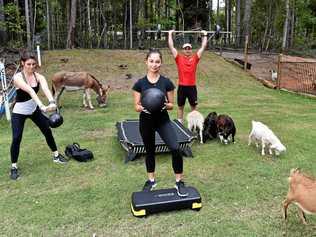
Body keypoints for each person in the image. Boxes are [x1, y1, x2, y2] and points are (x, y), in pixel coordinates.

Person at [132, 49, 188, 197]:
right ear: (146, 62)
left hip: (162, 120)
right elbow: (136, 106)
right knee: (149, 151)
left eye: (157, 61)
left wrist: (162, 104)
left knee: (175, 148)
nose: (154, 64)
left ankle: (179, 182)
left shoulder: (166, 82)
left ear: (161, 63)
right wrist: (144, 107)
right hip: (146, 121)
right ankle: (151, 180)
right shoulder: (140, 84)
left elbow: (171, 105)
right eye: (151, 61)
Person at [10, 51, 67, 180]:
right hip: (19, 112)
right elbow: (30, 91)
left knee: (47, 130)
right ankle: (14, 167)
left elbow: (46, 89)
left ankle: (56, 156)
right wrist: (42, 106)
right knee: (16, 138)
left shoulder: (38, 76)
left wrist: (52, 102)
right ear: (22, 63)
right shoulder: (18, 78)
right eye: (28, 64)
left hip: (33, 110)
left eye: (33, 64)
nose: (31, 67)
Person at [168, 29, 208, 123]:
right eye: (185, 48)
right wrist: (170, 34)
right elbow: (171, 46)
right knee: (180, 107)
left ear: (191, 50)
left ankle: (195, 124)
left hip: (192, 87)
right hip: (182, 87)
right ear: (183, 50)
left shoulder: (195, 58)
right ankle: (180, 124)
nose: (187, 50)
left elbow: (203, 47)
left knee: (194, 107)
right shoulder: (179, 58)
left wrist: (205, 35)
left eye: (189, 48)